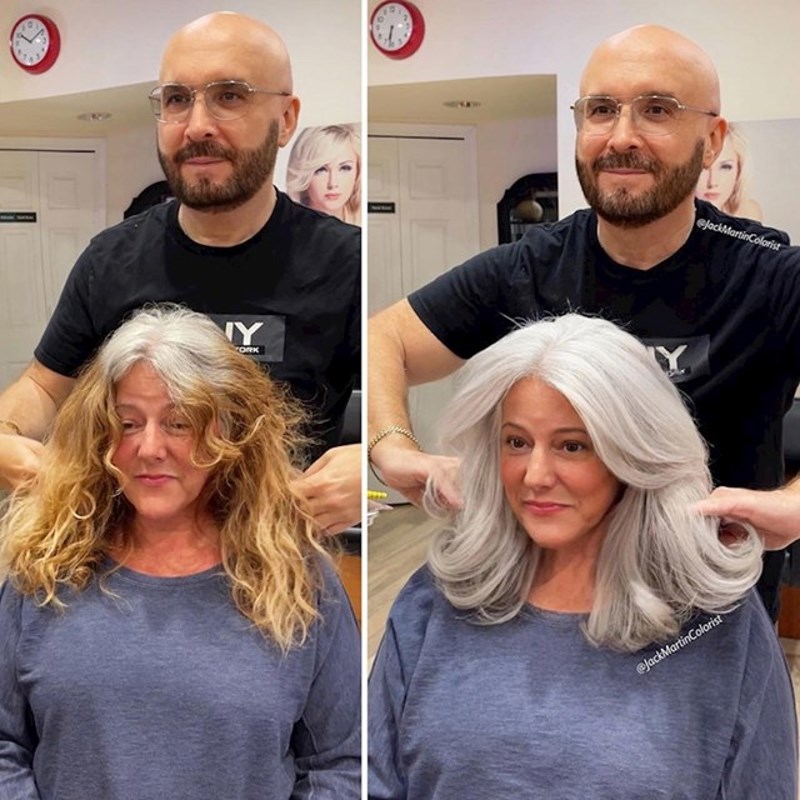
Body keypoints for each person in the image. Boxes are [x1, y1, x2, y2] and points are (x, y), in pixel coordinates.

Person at [368, 23, 800, 620]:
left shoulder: (771, 274)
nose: (621, 137)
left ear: (712, 140)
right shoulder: (529, 267)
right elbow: (384, 337)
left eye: (656, 110)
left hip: (711, 621)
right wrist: (393, 449)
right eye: (601, 110)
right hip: (550, 616)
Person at [369, 314, 797, 800]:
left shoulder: (718, 624)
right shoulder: (435, 599)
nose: (535, 475)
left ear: (633, 455)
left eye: (572, 446)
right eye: (517, 442)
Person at [0, 12, 361, 536]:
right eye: (176, 100)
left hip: (274, 552)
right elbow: (43, 385)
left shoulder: (346, 262)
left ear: (286, 120)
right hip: (129, 553)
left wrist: (367, 462)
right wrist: (5, 434)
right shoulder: (110, 259)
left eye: (229, 96)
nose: (196, 127)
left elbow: (387, 384)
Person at [0, 306, 360, 799]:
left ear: (231, 432)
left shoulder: (298, 580)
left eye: (179, 423)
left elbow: (342, 763)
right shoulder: (43, 567)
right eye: (128, 423)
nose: (149, 448)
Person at [286, 123, 362, 225]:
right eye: (321, 170)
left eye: (344, 168)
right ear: (303, 173)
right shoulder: (287, 227)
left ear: (358, 171)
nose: (333, 183)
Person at [696, 122, 763, 221]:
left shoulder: (749, 213)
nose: (712, 182)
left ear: (739, 170)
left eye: (725, 167)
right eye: (702, 167)